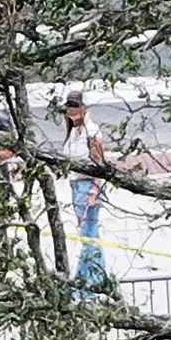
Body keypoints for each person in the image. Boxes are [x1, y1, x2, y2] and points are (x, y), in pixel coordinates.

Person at [60, 94, 112, 288]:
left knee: (89, 232)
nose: (71, 111)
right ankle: (88, 276)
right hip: (76, 185)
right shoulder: (73, 132)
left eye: (75, 107)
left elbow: (100, 165)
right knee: (85, 233)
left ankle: (93, 279)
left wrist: (94, 191)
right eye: (69, 107)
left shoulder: (91, 132)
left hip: (88, 185)